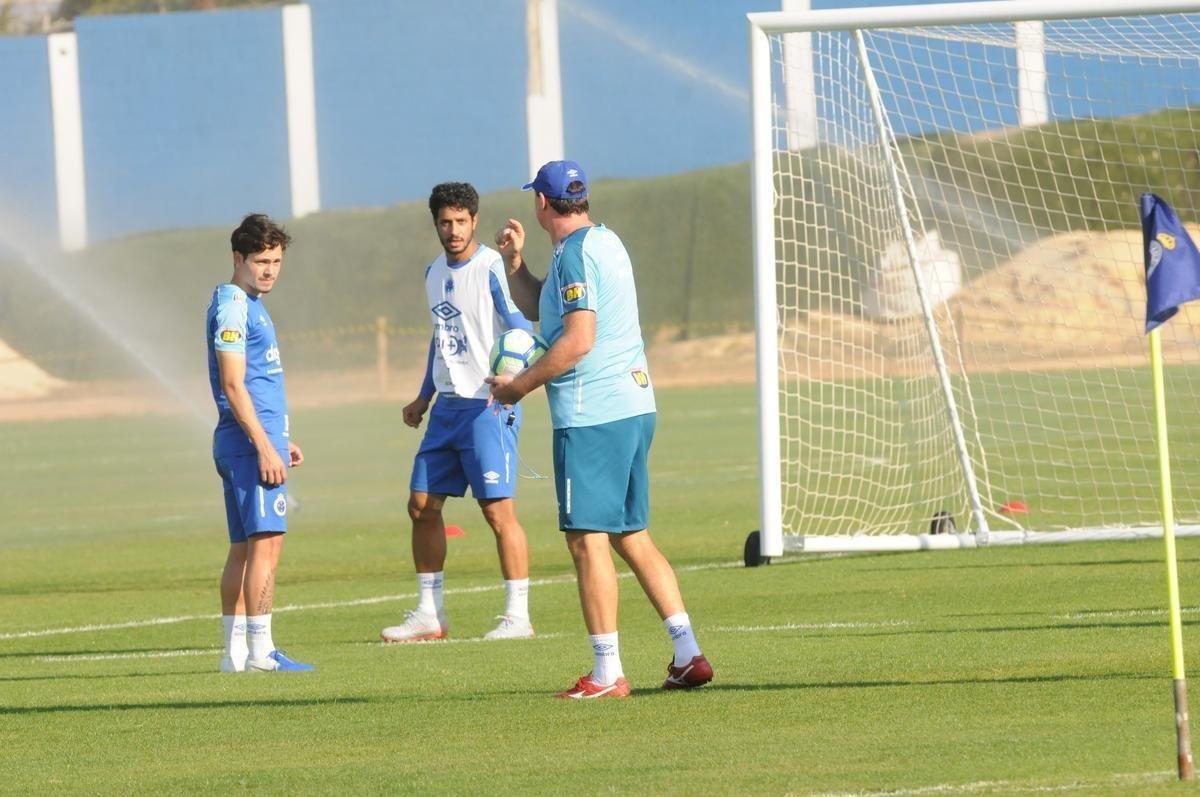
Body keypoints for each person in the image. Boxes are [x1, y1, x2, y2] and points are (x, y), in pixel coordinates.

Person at [490, 160, 713, 698]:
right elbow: (547, 309)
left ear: (541, 204)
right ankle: (687, 654)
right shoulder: (606, 241)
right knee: (630, 535)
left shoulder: (574, 255)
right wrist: (516, 264)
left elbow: (576, 340)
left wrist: (517, 387)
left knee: (586, 540)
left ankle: (607, 672)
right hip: (635, 406)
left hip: (594, 415)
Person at [380, 182, 537, 643]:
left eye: (461, 221)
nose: (452, 230)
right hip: (446, 408)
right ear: (435, 224)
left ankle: (517, 617)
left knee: (497, 512)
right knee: (421, 506)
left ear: (474, 221)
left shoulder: (491, 267)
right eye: (444, 222)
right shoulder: (433, 273)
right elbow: (442, 335)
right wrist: (423, 395)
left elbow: (521, 327)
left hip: (487, 407)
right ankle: (430, 615)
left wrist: (514, 378)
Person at [206, 213, 312, 673]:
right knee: (266, 545)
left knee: (244, 548)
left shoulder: (247, 301)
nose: (269, 270)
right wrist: (265, 447)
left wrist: (280, 439)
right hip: (249, 446)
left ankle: (233, 654)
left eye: (276, 261)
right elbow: (233, 384)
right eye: (260, 261)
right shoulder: (233, 306)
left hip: (249, 441)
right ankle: (261, 652)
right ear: (238, 258)